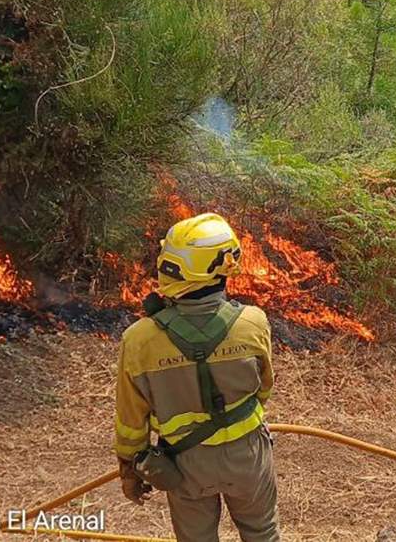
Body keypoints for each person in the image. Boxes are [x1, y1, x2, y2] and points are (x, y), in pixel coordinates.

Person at [115, 213, 280, 542]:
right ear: (222, 266)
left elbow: (131, 422)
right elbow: (264, 389)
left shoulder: (138, 341)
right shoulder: (253, 323)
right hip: (247, 458)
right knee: (263, 534)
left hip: (185, 465)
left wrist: (130, 473)